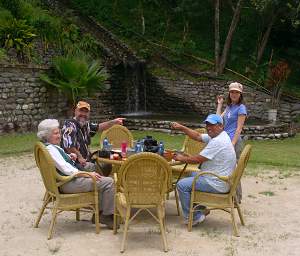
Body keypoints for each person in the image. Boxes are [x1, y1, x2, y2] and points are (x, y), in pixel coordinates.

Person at [37, 119, 115, 229]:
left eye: (59, 132)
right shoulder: (51, 150)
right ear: (46, 135)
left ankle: (100, 212)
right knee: (108, 182)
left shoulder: (50, 147)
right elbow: (66, 169)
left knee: (100, 174)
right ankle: (105, 216)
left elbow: (60, 163)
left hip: (64, 181)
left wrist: (70, 157)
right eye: (55, 133)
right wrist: (86, 174)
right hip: (68, 183)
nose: (59, 135)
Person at [171, 114, 236, 226]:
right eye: (207, 125)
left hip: (217, 183)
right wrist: (182, 127)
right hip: (219, 179)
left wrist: (182, 158)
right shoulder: (221, 135)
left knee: (181, 185)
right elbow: (197, 136)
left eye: (212, 125)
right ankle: (200, 209)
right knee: (191, 173)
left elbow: (197, 159)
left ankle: (194, 217)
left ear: (221, 126)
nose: (208, 127)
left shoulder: (218, 142)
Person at [61, 101, 125, 176]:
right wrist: (80, 157)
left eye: (86, 112)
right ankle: (104, 183)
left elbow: (99, 127)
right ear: (75, 111)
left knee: (107, 165)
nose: (83, 114)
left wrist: (114, 122)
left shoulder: (85, 125)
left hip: (86, 160)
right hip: (75, 164)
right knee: (103, 168)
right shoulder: (70, 125)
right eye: (81, 111)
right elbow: (69, 146)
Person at [216, 82, 247, 202]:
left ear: (240, 94)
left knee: (235, 169)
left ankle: (237, 198)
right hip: (226, 141)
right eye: (232, 92)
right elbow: (218, 120)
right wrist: (220, 104)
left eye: (237, 92)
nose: (234, 94)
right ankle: (229, 195)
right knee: (227, 168)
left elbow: (239, 128)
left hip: (235, 142)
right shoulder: (229, 107)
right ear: (229, 93)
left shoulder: (241, 108)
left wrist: (232, 144)